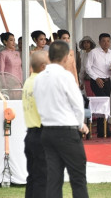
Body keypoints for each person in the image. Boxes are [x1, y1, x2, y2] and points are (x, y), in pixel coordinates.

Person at [33, 41, 89, 198]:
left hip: (47, 131)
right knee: (78, 178)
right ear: (66, 57)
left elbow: (38, 103)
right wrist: (80, 124)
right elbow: (78, 105)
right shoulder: (65, 76)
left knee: (53, 179)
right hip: (66, 131)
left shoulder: (39, 78)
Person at [22, 51, 49, 198]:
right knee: (42, 179)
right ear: (43, 66)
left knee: (32, 177)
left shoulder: (29, 81)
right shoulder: (41, 83)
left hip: (31, 134)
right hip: (41, 134)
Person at [85, 33, 111, 138]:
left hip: (107, 81)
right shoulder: (93, 53)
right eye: (103, 41)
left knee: (106, 104)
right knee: (101, 103)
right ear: (99, 42)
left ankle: (103, 129)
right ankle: (103, 130)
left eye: (108, 41)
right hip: (96, 81)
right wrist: (96, 78)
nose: (106, 43)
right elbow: (87, 67)